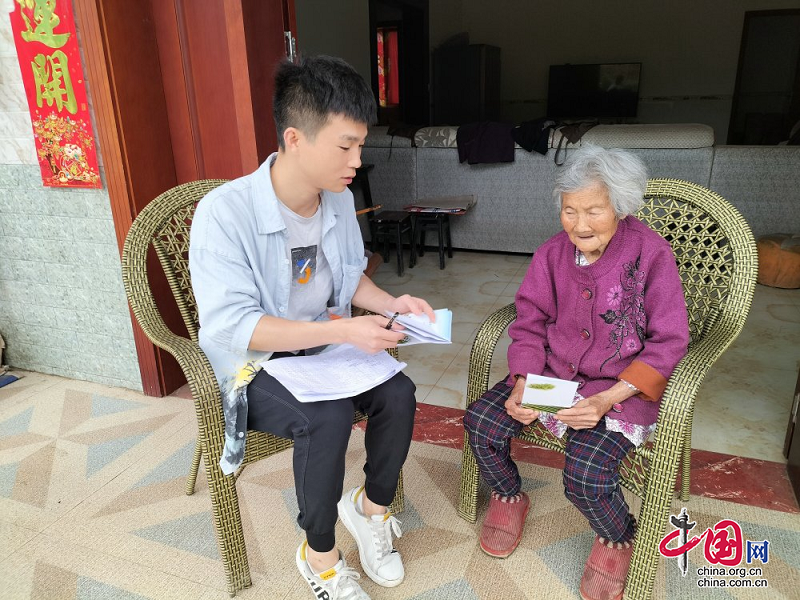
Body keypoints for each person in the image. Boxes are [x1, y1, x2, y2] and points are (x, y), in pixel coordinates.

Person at [189, 55, 434, 600]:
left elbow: (348, 283)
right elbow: (237, 327)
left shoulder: (339, 200)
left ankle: (370, 511)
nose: (357, 160)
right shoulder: (223, 214)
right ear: (295, 139)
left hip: (321, 351)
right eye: (345, 146)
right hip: (257, 364)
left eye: (360, 145)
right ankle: (319, 554)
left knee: (398, 391)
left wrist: (390, 304)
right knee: (325, 417)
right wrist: (346, 333)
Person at [463, 145, 690, 600]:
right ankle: (509, 495)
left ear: (620, 208)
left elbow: (670, 341)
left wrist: (608, 400)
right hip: (553, 377)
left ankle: (617, 536)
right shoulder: (551, 255)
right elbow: (529, 322)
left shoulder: (652, 255)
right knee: (481, 423)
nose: (579, 224)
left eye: (593, 211)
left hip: (618, 388)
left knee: (584, 476)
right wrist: (525, 381)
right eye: (570, 210)